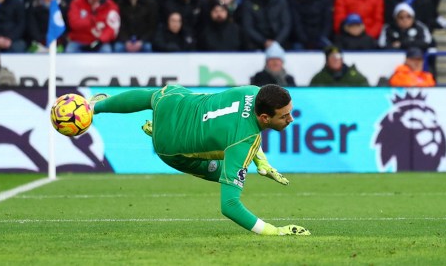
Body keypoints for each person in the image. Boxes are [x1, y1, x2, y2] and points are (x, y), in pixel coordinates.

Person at [87, 83, 308, 235]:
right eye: (285, 115)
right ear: (264, 117)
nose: (291, 118)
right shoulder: (243, 142)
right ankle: (162, 133)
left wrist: (261, 161)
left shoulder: (253, 92)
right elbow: (229, 206)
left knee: (154, 96)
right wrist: (274, 231)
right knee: (225, 172)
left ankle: (94, 106)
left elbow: (244, 130)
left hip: (176, 102)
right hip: (169, 148)